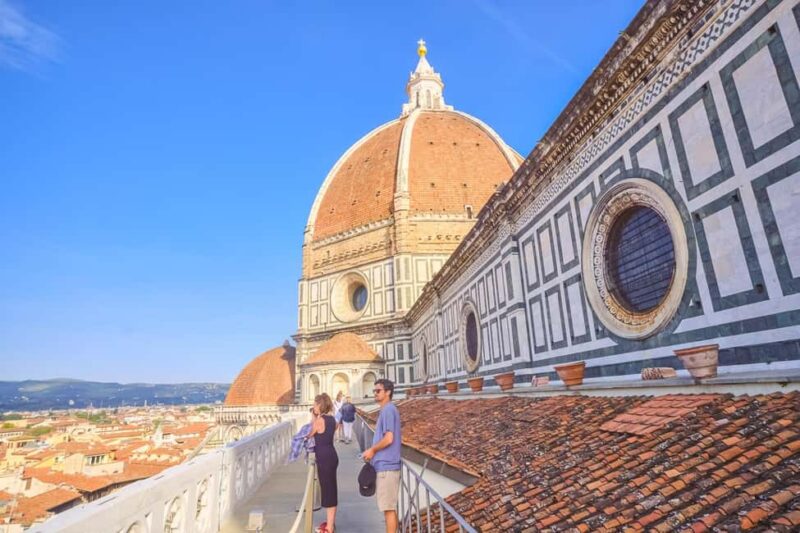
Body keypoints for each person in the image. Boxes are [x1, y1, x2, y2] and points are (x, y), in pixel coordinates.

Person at [362, 379, 401, 533]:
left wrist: (372, 450)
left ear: (388, 392)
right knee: (388, 508)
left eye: (378, 391)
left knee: (388, 509)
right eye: (374, 391)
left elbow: (389, 438)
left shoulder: (388, 410)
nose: (375, 393)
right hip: (385, 466)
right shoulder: (386, 410)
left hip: (387, 467)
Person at [305, 393, 338, 533]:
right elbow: (333, 429)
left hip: (324, 458)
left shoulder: (319, 421)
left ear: (319, 405)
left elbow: (309, 434)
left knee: (328, 491)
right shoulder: (332, 419)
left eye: (314, 404)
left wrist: (314, 417)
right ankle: (330, 523)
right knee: (331, 489)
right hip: (332, 455)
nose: (313, 406)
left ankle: (329, 527)